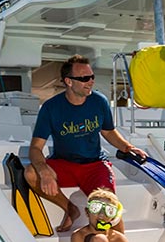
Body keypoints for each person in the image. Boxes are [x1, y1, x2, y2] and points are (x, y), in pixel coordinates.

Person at [26, 54, 146, 231]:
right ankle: (70, 209)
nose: (90, 82)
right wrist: (44, 171)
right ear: (68, 81)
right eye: (84, 78)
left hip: (95, 164)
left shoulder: (99, 101)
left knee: (108, 208)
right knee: (31, 173)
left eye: (91, 77)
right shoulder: (51, 107)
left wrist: (127, 147)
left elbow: (108, 131)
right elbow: (36, 147)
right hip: (64, 163)